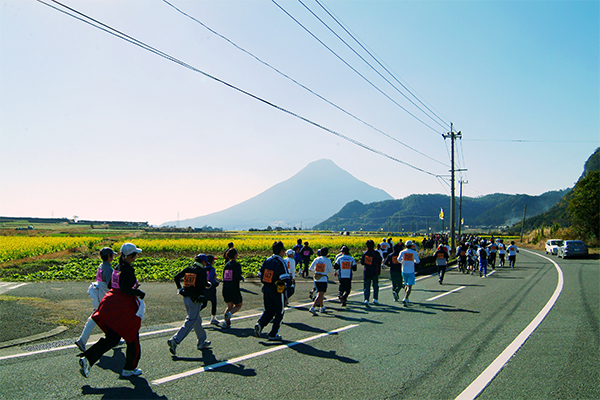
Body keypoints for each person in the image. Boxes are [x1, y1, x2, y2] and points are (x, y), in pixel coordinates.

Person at [78, 242, 145, 378]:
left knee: (113, 337)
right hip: (123, 307)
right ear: (130, 256)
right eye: (134, 254)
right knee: (132, 337)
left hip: (109, 303)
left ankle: (88, 358)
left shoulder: (117, 267)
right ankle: (129, 369)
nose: (136, 257)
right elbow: (126, 289)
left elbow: (111, 284)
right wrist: (138, 292)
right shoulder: (128, 270)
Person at [167, 253, 211, 356]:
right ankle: (175, 340)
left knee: (197, 320)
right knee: (191, 320)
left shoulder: (188, 269)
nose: (205, 264)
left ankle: (202, 341)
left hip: (186, 297)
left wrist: (179, 288)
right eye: (205, 262)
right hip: (195, 299)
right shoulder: (201, 271)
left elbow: (176, 277)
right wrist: (209, 284)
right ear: (203, 262)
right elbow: (205, 284)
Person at [75, 247, 116, 352]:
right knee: (98, 316)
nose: (113, 257)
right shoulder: (109, 270)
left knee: (101, 316)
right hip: (103, 295)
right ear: (109, 256)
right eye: (112, 255)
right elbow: (111, 285)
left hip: (97, 292)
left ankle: (113, 337)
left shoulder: (101, 266)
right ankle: (82, 340)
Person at [254, 241, 291, 341]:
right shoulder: (281, 262)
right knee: (280, 311)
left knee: (269, 310)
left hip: (266, 289)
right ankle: (273, 333)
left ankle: (260, 324)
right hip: (277, 290)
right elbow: (285, 278)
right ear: (282, 251)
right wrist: (288, 285)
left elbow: (260, 274)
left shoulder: (268, 260)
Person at [221, 248, 244, 328]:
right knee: (239, 304)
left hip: (226, 287)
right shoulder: (237, 265)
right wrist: (241, 277)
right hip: (234, 288)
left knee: (229, 306)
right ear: (235, 255)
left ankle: (225, 323)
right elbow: (237, 276)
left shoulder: (226, 265)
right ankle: (229, 315)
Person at [308, 247, 334, 315]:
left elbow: (310, 268)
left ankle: (321, 307)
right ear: (327, 253)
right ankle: (313, 307)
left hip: (316, 277)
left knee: (320, 293)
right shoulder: (328, 260)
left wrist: (317, 270)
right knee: (320, 294)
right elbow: (330, 270)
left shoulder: (316, 259)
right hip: (323, 278)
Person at [360, 239, 382, 306]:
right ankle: (375, 298)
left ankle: (366, 299)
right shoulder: (376, 253)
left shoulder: (365, 253)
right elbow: (380, 260)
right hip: (375, 271)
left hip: (367, 271)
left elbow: (362, 262)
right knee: (375, 285)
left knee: (367, 286)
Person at [399, 240, 420, 306]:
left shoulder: (402, 252)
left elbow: (398, 260)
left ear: (405, 245)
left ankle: (406, 298)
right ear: (411, 246)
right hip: (411, 271)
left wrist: (403, 261)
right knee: (410, 286)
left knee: (406, 284)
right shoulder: (414, 252)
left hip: (404, 270)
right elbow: (417, 261)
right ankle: (406, 298)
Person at [204, 255, 220, 325]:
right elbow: (210, 277)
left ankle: (195, 315)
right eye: (214, 260)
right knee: (214, 303)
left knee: (204, 303)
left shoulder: (203, 269)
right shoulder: (212, 269)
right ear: (211, 261)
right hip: (211, 288)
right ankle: (213, 318)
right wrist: (216, 282)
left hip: (204, 288)